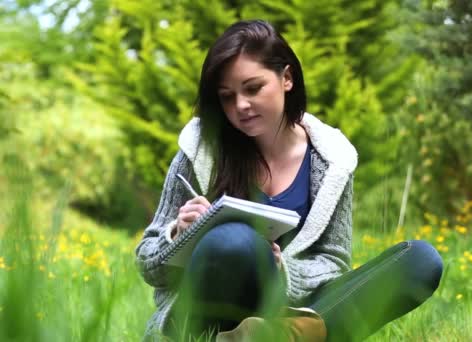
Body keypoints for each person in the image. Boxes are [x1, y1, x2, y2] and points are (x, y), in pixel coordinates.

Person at [135, 19, 443, 342]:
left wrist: (284, 269)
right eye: (227, 96)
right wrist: (180, 236)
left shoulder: (331, 160)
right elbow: (147, 260)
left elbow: (332, 263)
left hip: (291, 303)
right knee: (231, 242)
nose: (240, 105)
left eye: (253, 88)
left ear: (286, 78)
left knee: (419, 261)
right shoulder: (201, 147)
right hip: (208, 315)